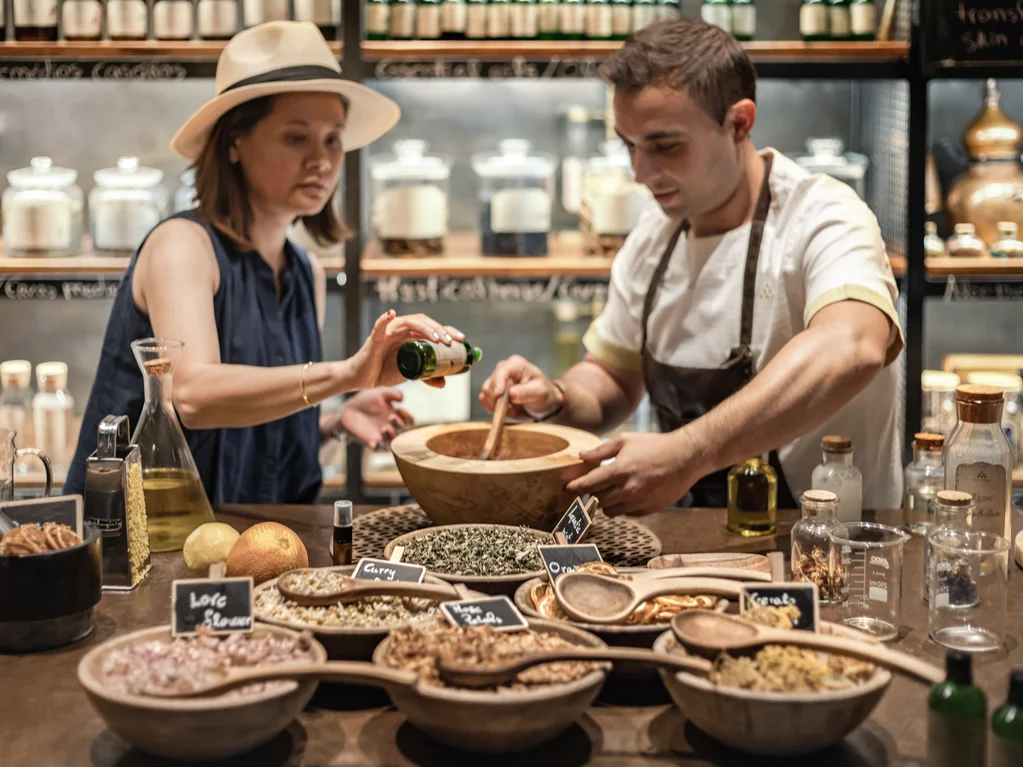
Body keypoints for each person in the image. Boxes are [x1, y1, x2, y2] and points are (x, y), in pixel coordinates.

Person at [480, 18, 904, 517]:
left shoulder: (822, 215)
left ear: (739, 123)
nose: (640, 174)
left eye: (665, 147)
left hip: (830, 542)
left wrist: (687, 453)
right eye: (629, 145)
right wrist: (556, 397)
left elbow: (851, 347)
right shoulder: (653, 236)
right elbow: (613, 377)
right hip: (690, 543)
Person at [65, 21, 460, 503]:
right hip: (143, 539)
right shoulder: (182, 247)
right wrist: (348, 374)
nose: (321, 160)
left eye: (333, 139)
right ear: (234, 142)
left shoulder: (304, 272)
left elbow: (255, 432)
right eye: (296, 138)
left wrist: (333, 423)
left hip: (259, 539)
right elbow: (193, 396)